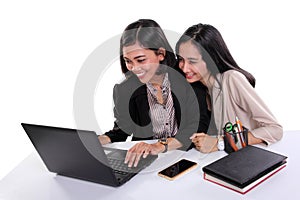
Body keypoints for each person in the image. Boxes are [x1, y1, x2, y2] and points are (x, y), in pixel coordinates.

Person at [98, 19, 210, 167]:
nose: (134, 68)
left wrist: (159, 146)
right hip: (147, 160)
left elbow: (197, 127)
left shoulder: (187, 77)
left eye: (140, 60)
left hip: (188, 157)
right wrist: (99, 140)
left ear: (161, 54)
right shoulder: (124, 89)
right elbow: (122, 130)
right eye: (128, 61)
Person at [175, 23, 283, 153]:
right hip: (224, 161)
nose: (184, 68)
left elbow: (275, 129)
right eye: (181, 59)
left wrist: (220, 143)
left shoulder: (232, 79)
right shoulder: (200, 88)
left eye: (192, 61)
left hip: (250, 159)